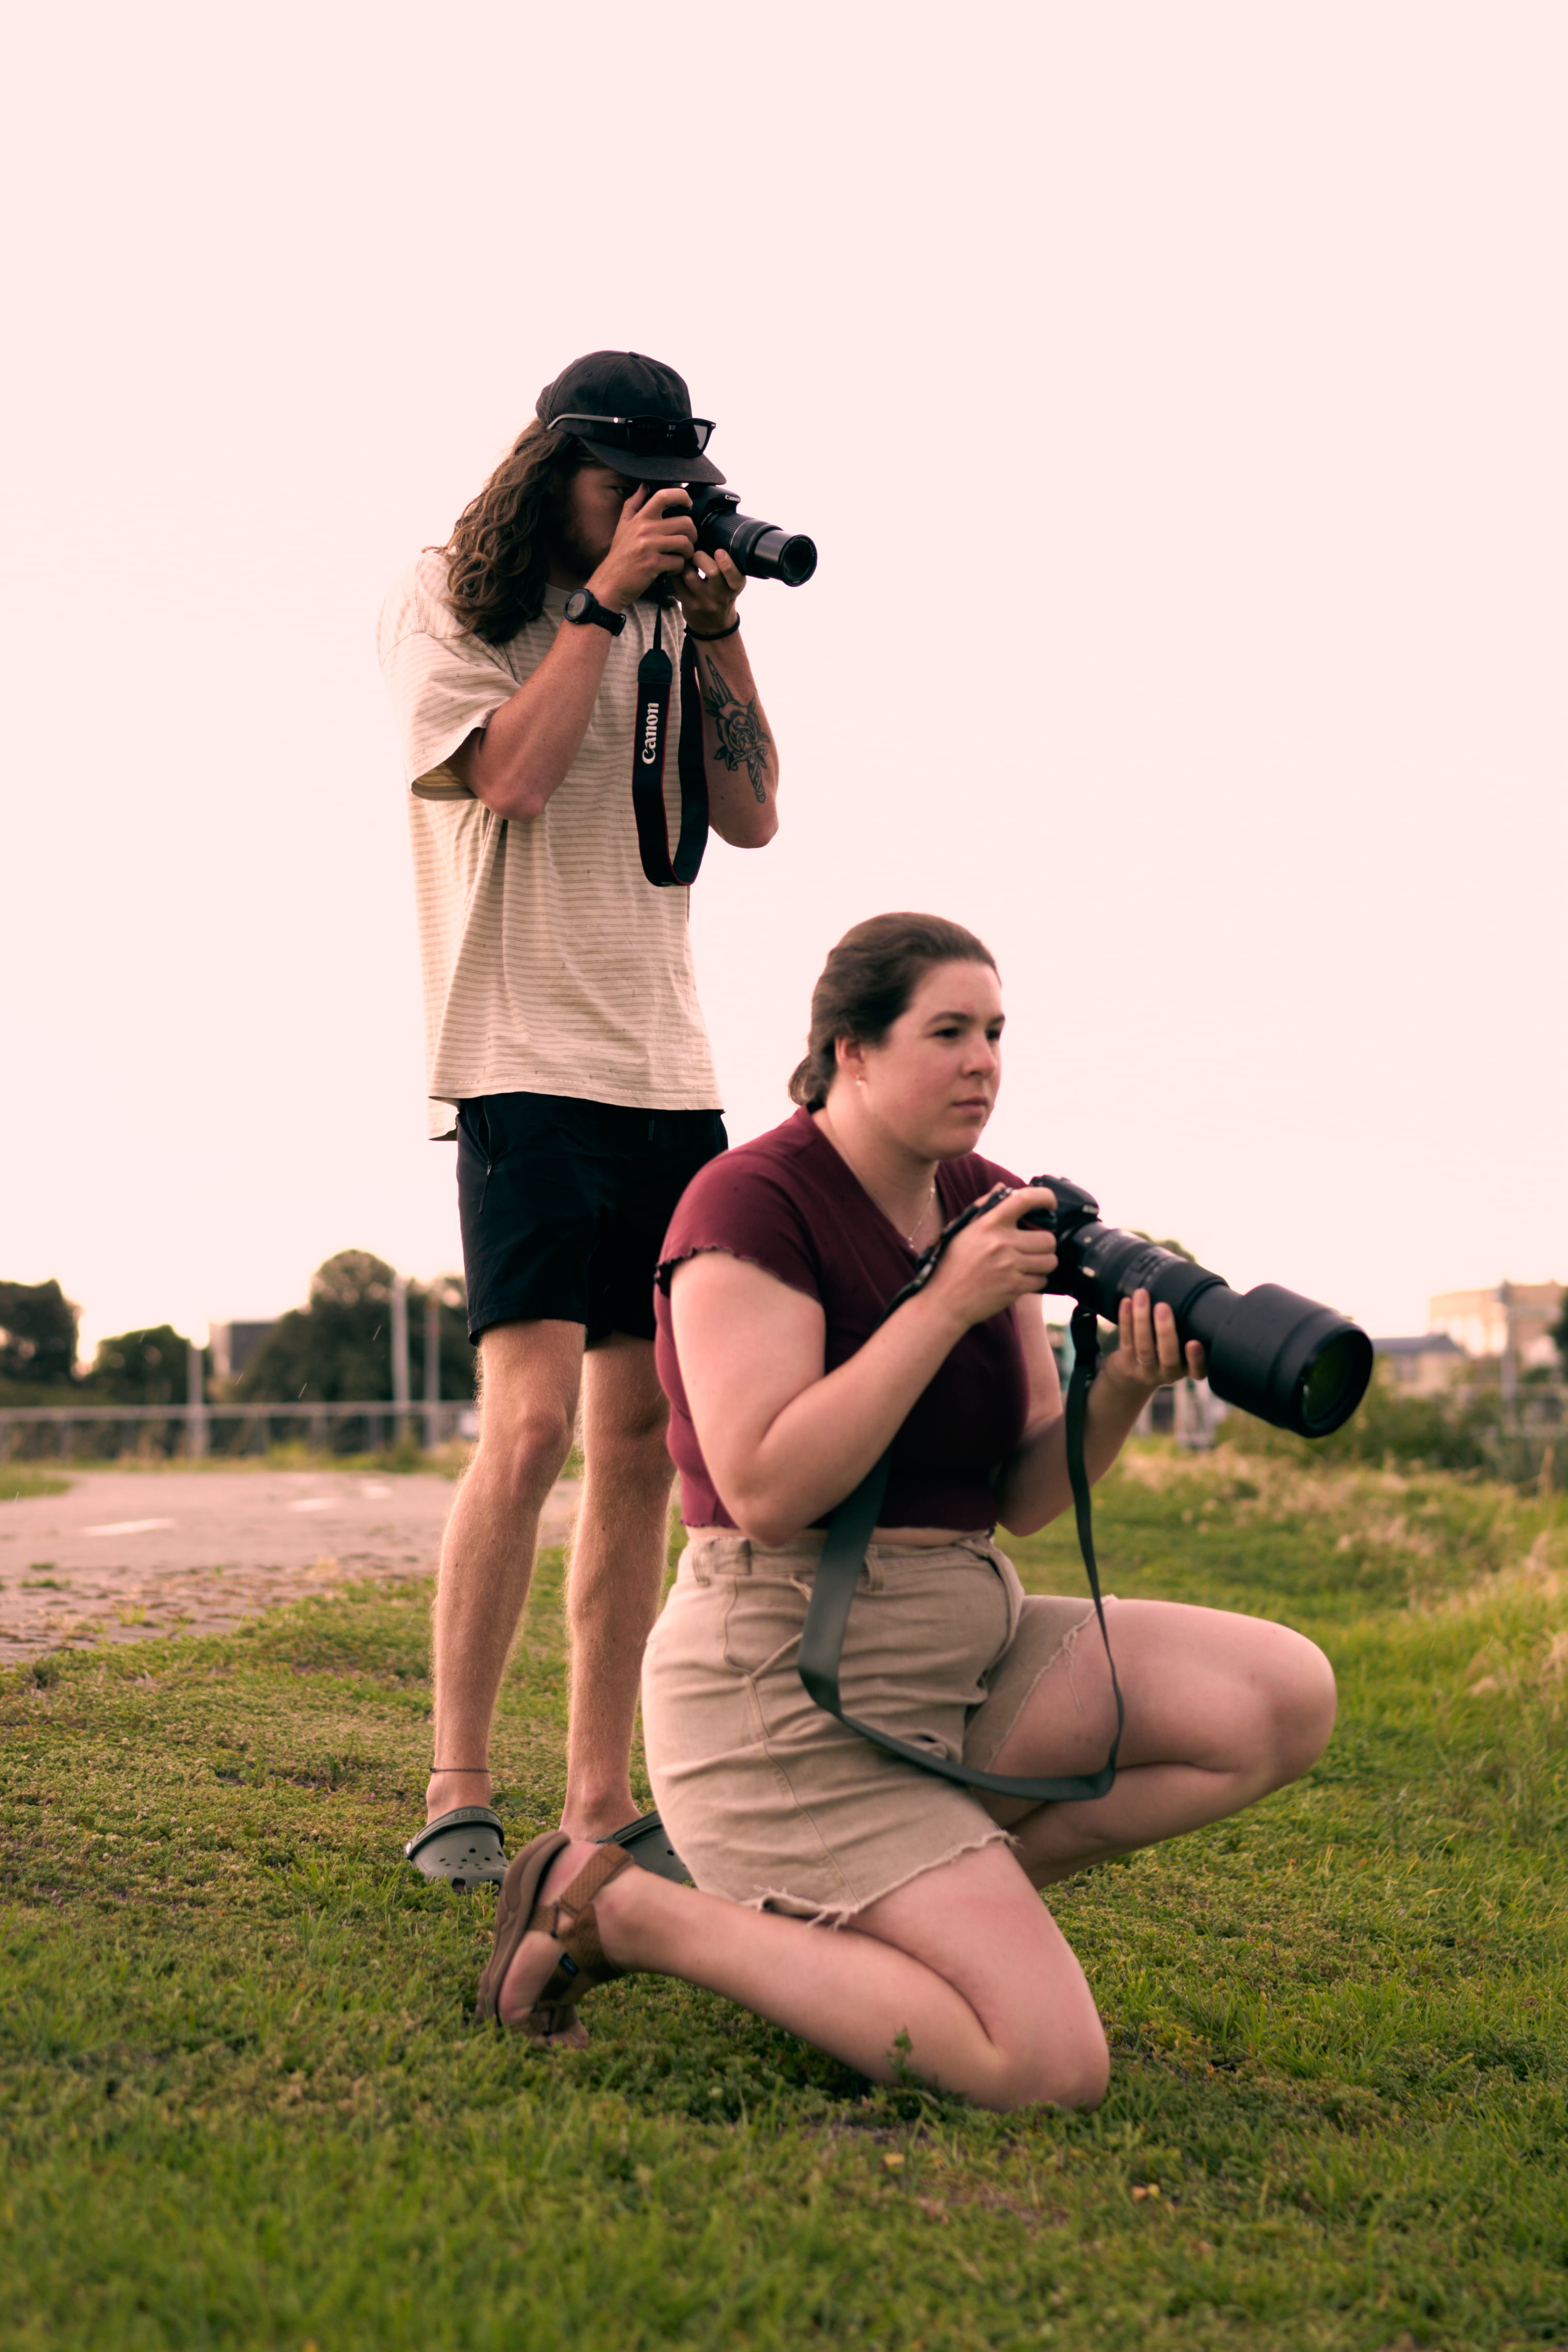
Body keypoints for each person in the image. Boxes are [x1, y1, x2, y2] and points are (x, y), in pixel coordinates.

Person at [474, 914, 1337, 2110]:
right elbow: (766, 1490)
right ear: (852, 1052)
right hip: (783, 1692)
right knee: (1048, 2068)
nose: (984, 1062)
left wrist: (1123, 1390)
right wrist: (939, 1306)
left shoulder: (990, 1201)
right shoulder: (749, 1205)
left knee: (1280, 1697)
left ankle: (889, 1929)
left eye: (996, 1033)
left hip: (960, 1656)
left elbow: (1024, 1498)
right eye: (948, 1033)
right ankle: (622, 1911)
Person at [378, 352, 780, 1885]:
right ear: (556, 473)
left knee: (639, 1442)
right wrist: (604, 605)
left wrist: (718, 629)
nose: (650, 513)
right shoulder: (451, 598)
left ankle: (600, 1802)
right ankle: (457, 1790)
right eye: (625, 487)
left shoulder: (673, 617)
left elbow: (752, 814)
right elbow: (514, 780)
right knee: (533, 1423)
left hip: (667, 1069)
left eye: (672, 491)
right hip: (520, 1056)